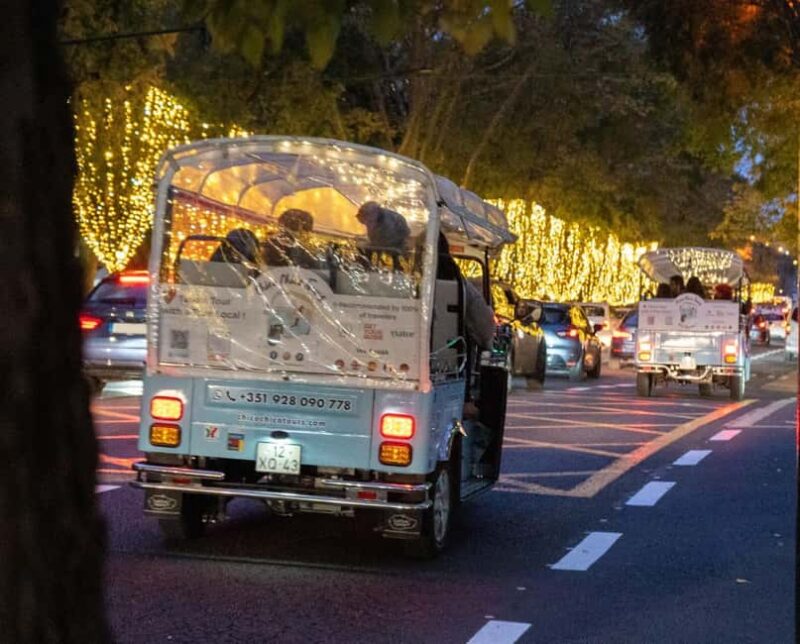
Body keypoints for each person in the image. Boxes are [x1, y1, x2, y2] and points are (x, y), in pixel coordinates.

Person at [356, 201, 410, 270]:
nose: (367, 224)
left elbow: (386, 241)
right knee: (362, 248)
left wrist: (372, 244)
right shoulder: (373, 218)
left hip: (395, 245)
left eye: (369, 220)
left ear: (375, 212)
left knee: (396, 260)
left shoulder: (390, 221)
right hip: (383, 244)